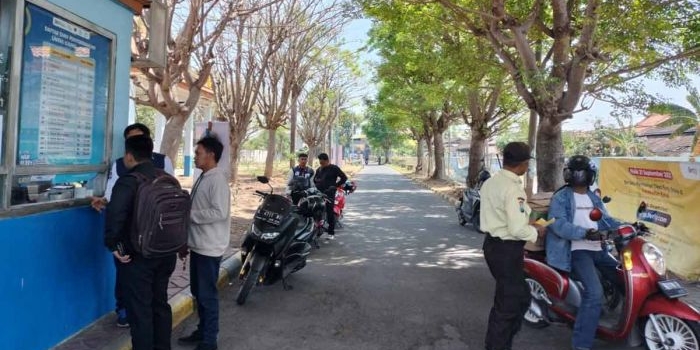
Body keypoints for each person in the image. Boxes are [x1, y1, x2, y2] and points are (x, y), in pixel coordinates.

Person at [91, 123, 174, 327]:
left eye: (137, 138)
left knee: (148, 303)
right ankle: (123, 309)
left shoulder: (163, 162)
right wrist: (104, 201)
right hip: (139, 239)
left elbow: (170, 197)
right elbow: (113, 197)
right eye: (129, 139)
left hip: (154, 240)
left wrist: (112, 243)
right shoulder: (119, 165)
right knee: (132, 284)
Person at [546, 155, 622, 350]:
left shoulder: (593, 197)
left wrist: (629, 226)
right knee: (594, 293)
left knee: (625, 280)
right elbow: (558, 224)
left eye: (583, 173)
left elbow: (606, 221)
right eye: (577, 172)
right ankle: (581, 345)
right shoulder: (561, 197)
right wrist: (585, 233)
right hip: (577, 250)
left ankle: (627, 324)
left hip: (599, 248)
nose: (580, 176)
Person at [479, 142, 547, 350]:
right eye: (528, 164)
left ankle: (503, 342)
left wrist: (528, 222)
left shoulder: (491, 182)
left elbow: (508, 216)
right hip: (507, 250)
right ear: (524, 164)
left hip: (493, 246)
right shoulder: (513, 189)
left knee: (519, 298)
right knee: (508, 306)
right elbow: (517, 229)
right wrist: (536, 231)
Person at [178, 136, 231, 350]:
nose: (195, 157)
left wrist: (190, 214)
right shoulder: (203, 176)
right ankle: (202, 331)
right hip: (199, 245)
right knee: (199, 293)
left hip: (210, 248)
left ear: (210, 154)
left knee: (207, 295)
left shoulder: (217, 180)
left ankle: (210, 340)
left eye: (198, 153)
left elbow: (219, 212)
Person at [313, 153, 347, 240]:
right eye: (320, 163)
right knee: (317, 210)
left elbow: (344, 177)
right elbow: (315, 179)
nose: (321, 165)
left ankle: (331, 232)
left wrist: (335, 186)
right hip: (319, 193)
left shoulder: (334, 168)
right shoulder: (319, 169)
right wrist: (317, 183)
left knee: (329, 211)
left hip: (330, 193)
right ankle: (317, 230)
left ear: (327, 161)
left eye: (323, 163)